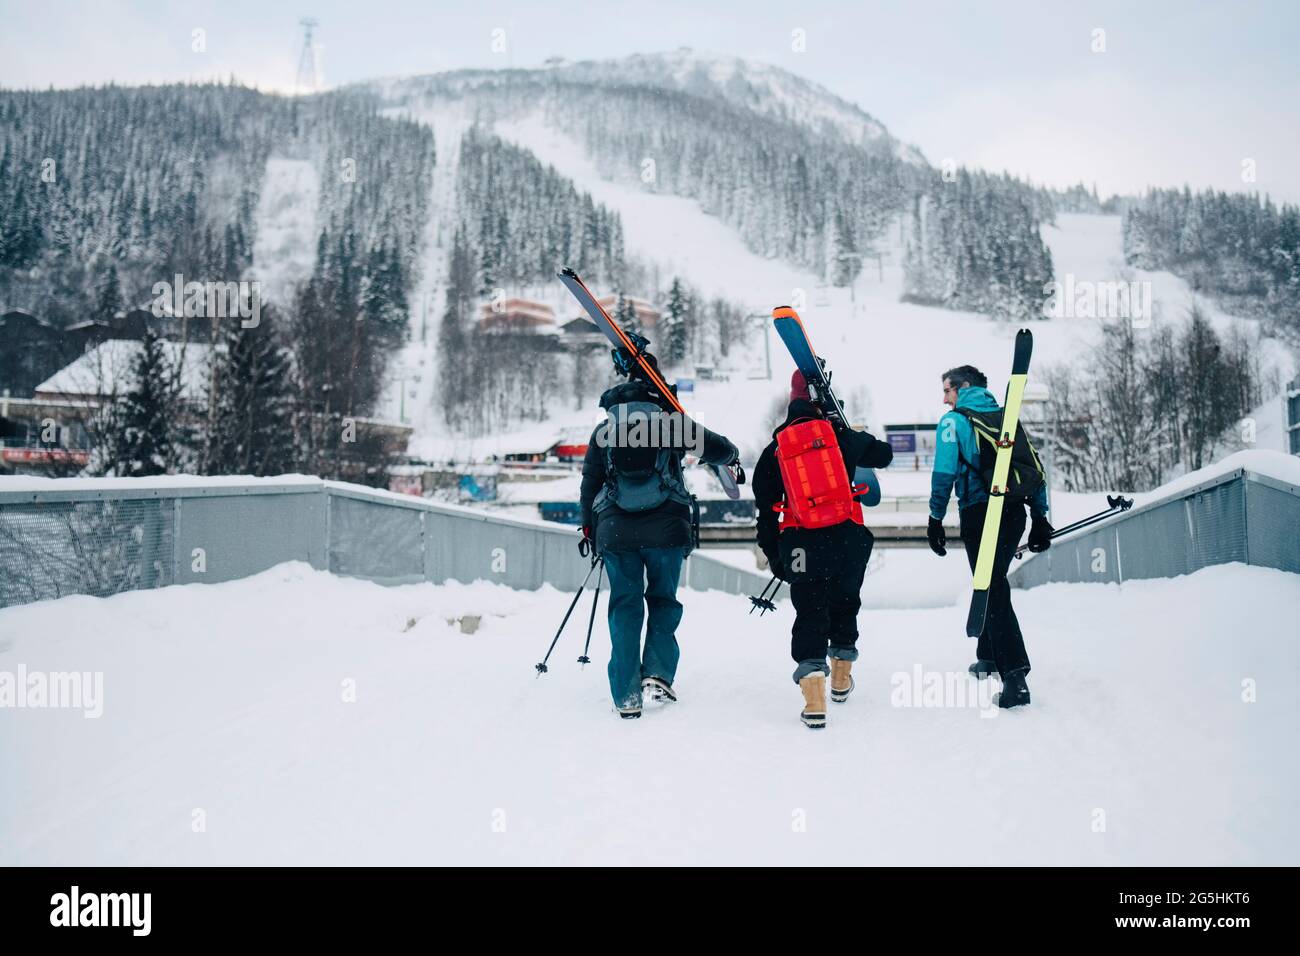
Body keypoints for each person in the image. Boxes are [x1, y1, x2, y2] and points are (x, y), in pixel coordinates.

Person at [579, 346, 739, 719]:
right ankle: (657, 674)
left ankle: (625, 694)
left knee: (624, 605)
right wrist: (731, 457)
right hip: (667, 528)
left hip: (616, 532)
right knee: (663, 600)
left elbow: (590, 484)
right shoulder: (672, 424)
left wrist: (590, 527)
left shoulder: (604, 432)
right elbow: (718, 447)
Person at [752, 370, 894, 728]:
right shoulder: (841, 437)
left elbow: (765, 512)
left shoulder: (775, 450)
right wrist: (847, 429)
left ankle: (814, 697)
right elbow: (885, 455)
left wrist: (776, 556)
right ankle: (842, 678)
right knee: (845, 603)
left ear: (791, 403)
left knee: (810, 612)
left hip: (802, 544)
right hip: (847, 537)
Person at [926, 364, 1052, 708]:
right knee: (990, 580)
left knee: (991, 586)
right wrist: (1040, 518)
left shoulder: (954, 422)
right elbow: (1032, 467)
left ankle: (1016, 677)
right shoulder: (1004, 418)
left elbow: (944, 474)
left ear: (963, 387)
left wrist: (935, 518)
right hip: (1013, 513)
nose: (944, 398)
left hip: (980, 512)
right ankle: (989, 655)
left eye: (947, 390)